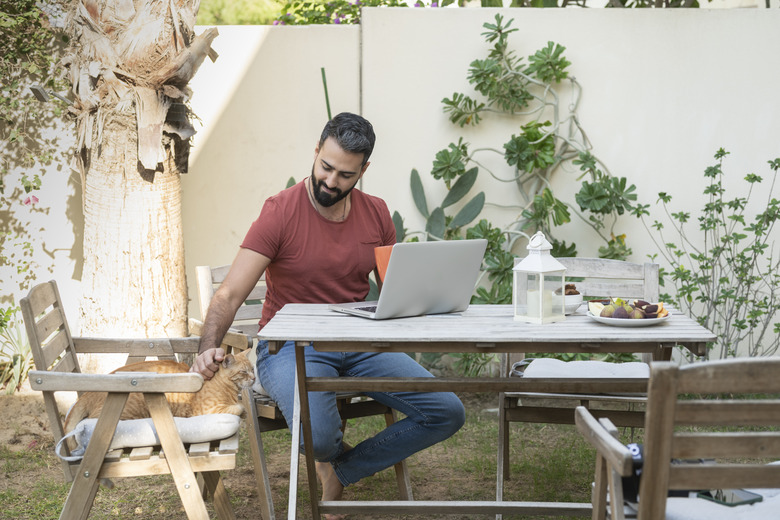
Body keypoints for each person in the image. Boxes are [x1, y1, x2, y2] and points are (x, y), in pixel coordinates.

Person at [191, 112, 466, 514]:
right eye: (326, 167)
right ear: (316, 151)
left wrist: (429, 296)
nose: (331, 181)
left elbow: (395, 291)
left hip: (361, 343)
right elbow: (230, 293)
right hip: (290, 347)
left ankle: (342, 471)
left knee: (447, 411)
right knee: (318, 437)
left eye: (346, 175)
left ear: (364, 171)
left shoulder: (376, 213)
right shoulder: (279, 211)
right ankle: (332, 459)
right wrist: (206, 347)